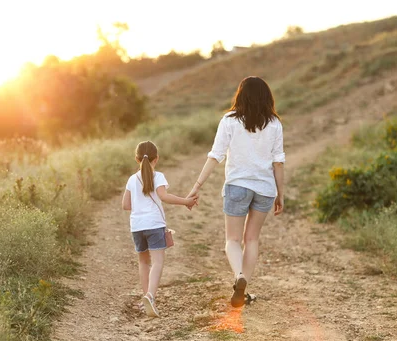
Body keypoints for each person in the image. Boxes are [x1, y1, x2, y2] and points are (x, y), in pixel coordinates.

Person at [186, 76, 285, 308]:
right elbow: (278, 162)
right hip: (265, 189)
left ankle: (239, 276)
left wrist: (196, 186)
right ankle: (244, 287)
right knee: (251, 239)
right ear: (266, 97)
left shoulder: (229, 120)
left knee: (232, 239)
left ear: (240, 95)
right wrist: (280, 194)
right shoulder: (274, 123)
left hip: (237, 186)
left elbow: (215, 155)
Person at [122, 141, 198, 317]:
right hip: (154, 224)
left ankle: (145, 299)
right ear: (157, 159)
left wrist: (140, 204)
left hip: (137, 226)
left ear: (136, 158)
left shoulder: (132, 179)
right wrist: (186, 201)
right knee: (157, 262)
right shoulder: (159, 176)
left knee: (143, 262)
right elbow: (164, 196)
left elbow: (126, 205)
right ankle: (150, 296)